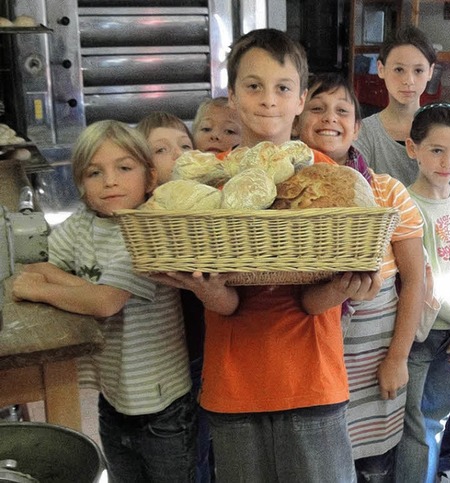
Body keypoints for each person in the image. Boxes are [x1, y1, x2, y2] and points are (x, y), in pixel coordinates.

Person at [152, 28, 383, 482]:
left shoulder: (334, 181)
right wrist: (206, 288)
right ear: (233, 97)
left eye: (282, 88)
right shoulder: (208, 181)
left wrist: (347, 285)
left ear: (300, 100)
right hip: (235, 384)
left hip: (314, 380)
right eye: (252, 86)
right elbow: (228, 304)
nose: (268, 99)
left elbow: (331, 292)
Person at [11, 120, 197, 483]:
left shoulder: (147, 229)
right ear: (81, 184)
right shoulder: (84, 223)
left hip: (162, 408)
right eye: (95, 172)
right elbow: (38, 261)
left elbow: (106, 302)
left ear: (149, 179)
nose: (109, 181)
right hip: (112, 397)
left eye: (124, 168)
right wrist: (71, 284)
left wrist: (40, 288)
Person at [296, 72, 425, 481]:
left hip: (375, 362)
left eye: (341, 111)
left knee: (372, 468)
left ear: (356, 127)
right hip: (312, 365)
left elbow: (415, 282)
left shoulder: (387, 193)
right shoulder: (283, 197)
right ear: (299, 119)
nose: (328, 117)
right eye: (316, 107)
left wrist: (398, 358)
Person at [395, 103, 450, 483]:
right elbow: (414, 281)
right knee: (412, 424)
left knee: (437, 418)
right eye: (436, 150)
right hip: (415, 333)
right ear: (412, 148)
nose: (448, 161)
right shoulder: (402, 205)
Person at [137, 111, 215, 483]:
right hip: (154, 367)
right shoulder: (143, 222)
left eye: (185, 146)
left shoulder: (203, 213)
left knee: (199, 448)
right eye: (162, 149)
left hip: (200, 353)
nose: (180, 155)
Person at [353, 25, 450, 191]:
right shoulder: (364, 133)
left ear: (430, 71)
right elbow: (359, 195)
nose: (409, 80)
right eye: (399, 69)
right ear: (381, 69)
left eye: (418, 70)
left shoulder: (446, 130)